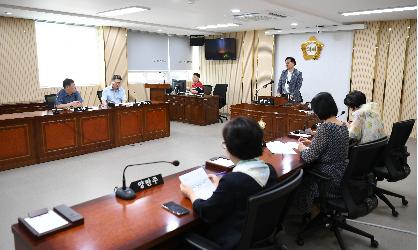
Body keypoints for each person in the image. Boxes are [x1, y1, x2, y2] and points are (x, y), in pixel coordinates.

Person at [180, 117, 278, 250]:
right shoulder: (270, 170)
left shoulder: (233, 181)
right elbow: (242, 191)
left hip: (232, 240)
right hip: (258, 232)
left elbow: (207, 212)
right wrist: (219, 186)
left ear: (232, 148)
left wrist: (191, 194)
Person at [294, 92, 349, 215]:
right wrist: (310, 142)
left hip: (327, 178)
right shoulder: (342, 125)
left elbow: (308, 157)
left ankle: (306, 211)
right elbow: (331, 146)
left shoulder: (326, 127)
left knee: (298, 178)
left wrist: (301, 147)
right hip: (340, 174)